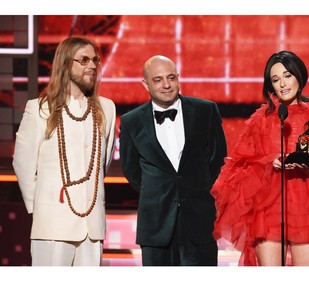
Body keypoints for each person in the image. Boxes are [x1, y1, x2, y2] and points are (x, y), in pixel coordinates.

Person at [211, 50, 309, 266]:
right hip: (267, 210)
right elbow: (238, 167)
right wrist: (269, 162)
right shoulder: (260, 121)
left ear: (299, 75)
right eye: (275, 79)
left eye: (287, 75)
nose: (282, 84)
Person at [12, 37, 116, 266]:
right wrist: (40, 208)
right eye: (84, 60)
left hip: (92, 226)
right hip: (52, 224)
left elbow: (103, 163)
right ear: (65, 64)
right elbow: (23, 162)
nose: (92, 66)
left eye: (95, 60)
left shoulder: (106, 108)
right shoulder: (40, 108)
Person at [119, 55, 227, 266]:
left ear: (178, 78)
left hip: (199, 221)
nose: (166, 85)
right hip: (155, 225)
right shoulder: (131, 122)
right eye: (158, 80)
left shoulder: (206, 111)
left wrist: (197, 189)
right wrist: (158, 192)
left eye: (171, 78)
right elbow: (132, 171)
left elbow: (218, 161)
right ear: (146, 84)